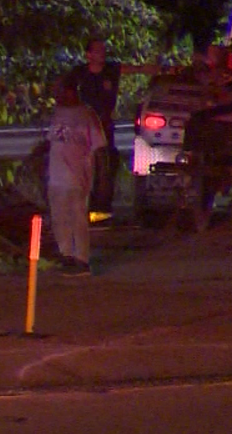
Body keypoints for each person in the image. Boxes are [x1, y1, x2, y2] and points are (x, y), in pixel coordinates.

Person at [65, 38, 162, 219]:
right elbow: (66, 94)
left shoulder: (111, 70)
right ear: (89, 55)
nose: (101, 53)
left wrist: (154, 69)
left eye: (103, 50)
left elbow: (135, 69)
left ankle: (101, 210)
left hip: (104, 126)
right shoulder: (78, 74)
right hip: (83, 127)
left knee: (106, 165)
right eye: (97, 50)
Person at [46, 83, 107, 276]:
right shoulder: (57, 113)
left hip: (76, 175)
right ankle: (66, 254)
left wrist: (102, 178)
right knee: (59, 217)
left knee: (77, 217)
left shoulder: (86, 115)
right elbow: (52, 141)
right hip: (56, 175)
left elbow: (99, 148)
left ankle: (81, 258)